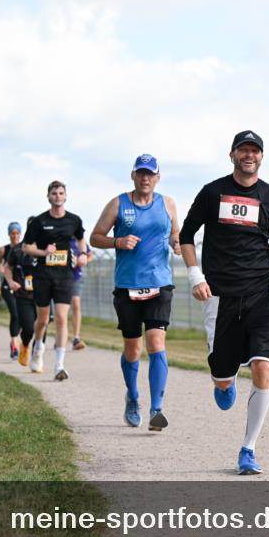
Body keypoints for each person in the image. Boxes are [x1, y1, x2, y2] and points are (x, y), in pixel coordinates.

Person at [179, 130, 269, 475]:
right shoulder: (213, 192)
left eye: (255, 150)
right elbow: (186, 235)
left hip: (262, 292)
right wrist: (195, 276)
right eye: (243, 150)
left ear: (261, 157)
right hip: (219, 296)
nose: (249, 155)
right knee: (222, 376)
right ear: (232, 155)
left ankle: (248, 449)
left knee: (264, 366)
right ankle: (225, 379)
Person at [90, 154, 180, 430]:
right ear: (133, 175)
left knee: (155, 343)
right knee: (133, 348)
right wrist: (118, 240)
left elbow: (176, 232)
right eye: (141, 173)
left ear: (157, 177)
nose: (145, 178)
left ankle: (156, 410)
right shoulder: (119, 203)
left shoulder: (168, 203)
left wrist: (177, 243)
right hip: (127, 285)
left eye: (150, 174)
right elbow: (95, 237)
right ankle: (133, 396)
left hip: (159, 282)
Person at [23, 180, 87, 380]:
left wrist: (83, 254)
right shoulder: (39, 221)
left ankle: (59, 365)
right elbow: (26, 247)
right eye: (54, 193)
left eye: (61, 193)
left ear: (65, 196)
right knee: (42, 319)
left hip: (65, 275)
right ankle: (38, 347)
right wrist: (43, 251)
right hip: (43, 275)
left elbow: (80, 239)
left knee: (60, 318)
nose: (57, 196)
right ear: (48, 197)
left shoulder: (74, 220)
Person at [3, 219, 39, 369]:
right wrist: (11, 282)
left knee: (42, 324)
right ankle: (24, 344)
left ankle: (37, 356)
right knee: (29, 327)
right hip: (23, 294)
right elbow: (7, 268)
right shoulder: (18, 249)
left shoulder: (48, 248)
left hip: (42, 293)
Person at [0, 223, 24, 359]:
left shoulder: (24, 249)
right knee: (15, 313)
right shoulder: (3, 250)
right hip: (7, 286)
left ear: (20, 234)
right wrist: (1, 269)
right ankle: (14, 344)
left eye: (17, 233)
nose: (15, 236)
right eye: (12, 233)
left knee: (21, 315)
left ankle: (14, 338)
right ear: (9, 234)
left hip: (21, 286)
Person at [69, 237, 94, 350]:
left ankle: (76, 337)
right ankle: (60, 337)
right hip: (60, 278)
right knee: (61, 309)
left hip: (75, 277)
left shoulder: (80, 241)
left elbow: (90, 255)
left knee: (76, 304)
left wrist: (81, 261)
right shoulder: (61, 237)